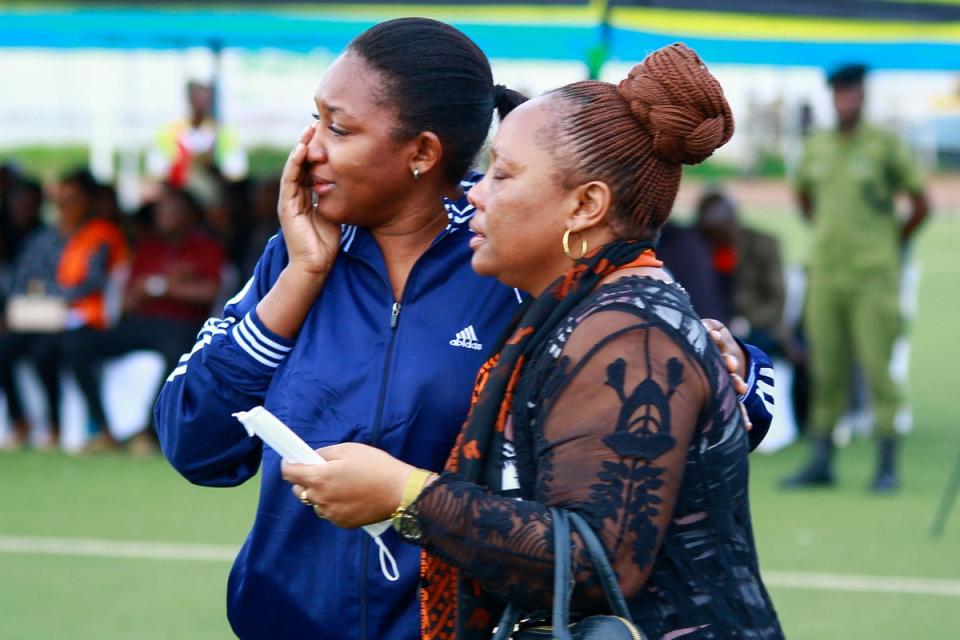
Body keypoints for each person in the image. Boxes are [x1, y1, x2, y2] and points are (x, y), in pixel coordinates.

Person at [156, 19, 775, 640]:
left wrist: (736, 375)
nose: (308, 147)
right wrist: (302, 275)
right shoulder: (295, 256)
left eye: (338, 128)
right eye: (314, 120)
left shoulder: (511, 251)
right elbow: (196, 444)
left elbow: (647, 385)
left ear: (422, 153)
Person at [783, 63, 929, 493]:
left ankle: (886, 462)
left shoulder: (884, 146)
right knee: (826, 369)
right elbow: (804, 196)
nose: (846, 100)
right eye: (839, 93)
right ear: (832, 98)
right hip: (827, 272)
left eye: (852, 92)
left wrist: (891, 241)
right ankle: (822, 459)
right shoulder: (818, 146)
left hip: (873, 275)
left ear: (863, 97)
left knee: (878, 368)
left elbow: (920, 202)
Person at [62, 184, 224, 455]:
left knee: (178, 352)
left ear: (188, 215)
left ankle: (148, 432)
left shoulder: (205, 246)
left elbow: (209, 293)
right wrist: (167, 285)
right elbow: (129, 300)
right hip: (143, 324)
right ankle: (104, 430)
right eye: (160, 211)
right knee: (76, 345)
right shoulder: (148, 247)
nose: (163, 216)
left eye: (171, 211)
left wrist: (158, 288)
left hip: (183, 327)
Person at [54, 169, 129, 452]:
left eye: (71, 200)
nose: (64, 208)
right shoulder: (76, 235)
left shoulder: (102, 233)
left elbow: (94, 279)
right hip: (70, 318)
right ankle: (49, 426)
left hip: (100, 319)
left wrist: (58, 299)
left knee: (74, 350)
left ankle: (102, 428)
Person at [0, 179, 64, 449]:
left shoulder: (50, 237)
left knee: (43, 355)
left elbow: (57, 283)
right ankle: (19, 420)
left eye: (29, 204)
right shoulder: (6, 235)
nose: (23, 210)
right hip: (17, 317)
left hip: (50, 318)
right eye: (18, 204)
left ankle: (54, 424)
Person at [695, 190, 787, 357]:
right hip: (709, 326)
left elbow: (776, 299)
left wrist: (747, 322)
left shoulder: (761, 245)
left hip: (755, 328)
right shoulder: (698, 250)